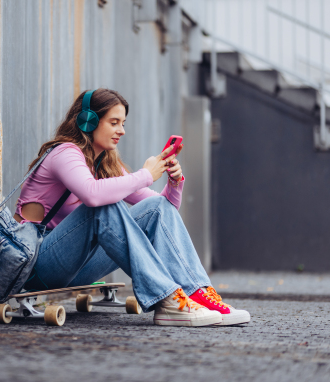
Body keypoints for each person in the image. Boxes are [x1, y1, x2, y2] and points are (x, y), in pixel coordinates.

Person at [14, 88, 250, 327]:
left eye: (123, 123)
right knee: (103, 206)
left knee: (155, 207)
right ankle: (168, 300)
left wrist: (174, 183)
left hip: (77, 268)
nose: (121, 131)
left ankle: (197, 292)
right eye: (114, 122)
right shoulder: (64, 153)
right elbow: (92, 195)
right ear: (88, 121)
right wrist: (146, 175)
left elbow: (161, 210)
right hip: (37, 265)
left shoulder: (103, 162)